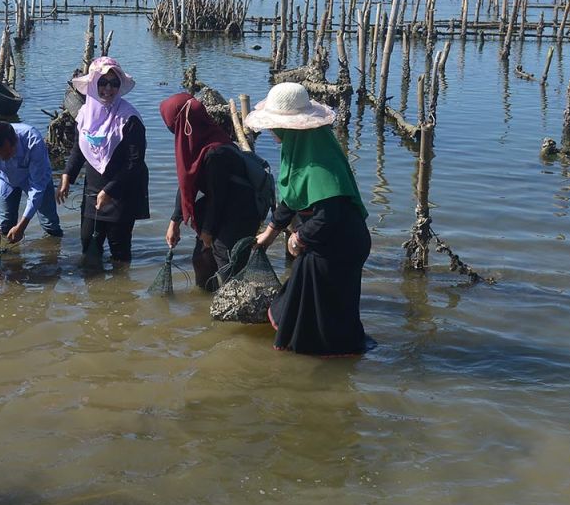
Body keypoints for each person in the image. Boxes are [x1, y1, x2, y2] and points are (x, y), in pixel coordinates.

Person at [246, 82, 371, 356]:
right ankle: (323, 358)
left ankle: (335, 356)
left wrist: (299, 237)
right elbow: (292, 197)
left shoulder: (318, 163)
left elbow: (330, 214)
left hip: (341, 243)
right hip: (328, 239)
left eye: (274, 125)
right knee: (312, 299)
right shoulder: (301, 150)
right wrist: (270, 232)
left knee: (329, 309)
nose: (270, 131)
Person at [159, 93, 263, 291]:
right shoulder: (199, 145)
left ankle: (232, 313)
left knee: (227, 269)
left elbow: (219, 197)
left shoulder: (216, 152)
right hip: (221, 208)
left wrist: (207, 232)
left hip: (239, 214)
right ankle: (205, 313)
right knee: (201, 260)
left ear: (183, 125)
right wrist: (175, 222)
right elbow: (187, 185)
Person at [55, 56, 149, 264]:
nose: (108, 88)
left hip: (121, 194)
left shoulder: (129, 119)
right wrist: (67, 176)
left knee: (119, 251)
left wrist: (110, 190)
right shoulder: (84, 114)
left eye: (114, 83)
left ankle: (122, 294)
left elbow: (135, 163)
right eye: (103, 82)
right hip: (92, 191)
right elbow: (80, 148)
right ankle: (94, 295)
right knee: (88, 244)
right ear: (93, 83)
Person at [0, 121, 62, 243]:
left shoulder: (33, 141)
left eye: (7, 153)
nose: (3, 157)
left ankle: (56, 256)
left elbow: (37, 187)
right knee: (4, 226)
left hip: (35, 178)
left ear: (15, 142)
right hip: (5, 177)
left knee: (49, 223)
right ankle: (11, 259)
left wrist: (22, 226)